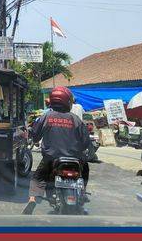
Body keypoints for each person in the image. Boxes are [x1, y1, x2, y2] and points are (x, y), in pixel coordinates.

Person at [23, 86, 91, 215]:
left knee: (38, 177)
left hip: (51, 158)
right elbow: (86, 141)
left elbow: (35, 134)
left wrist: (32, 137)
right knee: (85, 168)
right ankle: (82, 192)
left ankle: (32, 199)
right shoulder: (75, 119)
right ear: (68, 101)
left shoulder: (46, 116)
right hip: (75, 159)